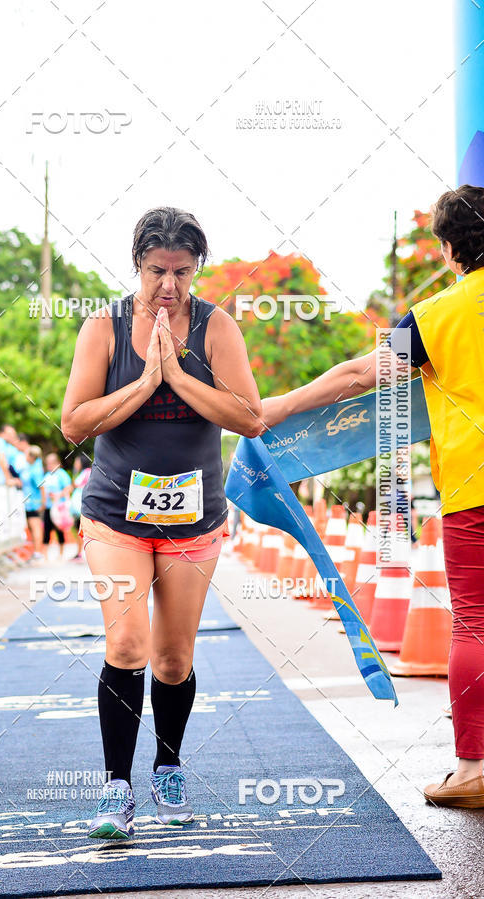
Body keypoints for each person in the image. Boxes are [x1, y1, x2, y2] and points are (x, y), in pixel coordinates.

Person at [258, 184, 484, 809]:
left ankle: (473, 770)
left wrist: (279, 406)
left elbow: (363, 374)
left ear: (446, 250)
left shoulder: (441, 315)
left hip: (475, 488)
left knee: (475, 624)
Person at [61, 206, 262, 840]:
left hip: (194, 520)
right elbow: (74, 423)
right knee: (127, 646)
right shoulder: (105, 328)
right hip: (116, 515)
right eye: (156, 271)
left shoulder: (216, 327)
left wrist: (177, 373)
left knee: (173, 659)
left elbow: (247, 416)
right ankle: (116, 785)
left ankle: (167, 768)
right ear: (136, 266)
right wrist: (147, 380)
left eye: (181, 271)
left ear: (198, 268)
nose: (168, 286)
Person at [40, 452, 72, 562]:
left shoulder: (62, 474)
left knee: (60, 530)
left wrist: (59, 494)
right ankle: (45, 556)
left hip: (59, 507)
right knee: (47, 530)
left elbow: (68, 488)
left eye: (50, 463)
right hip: (49, 506)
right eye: (47, 463)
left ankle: (61, 554)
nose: (49, 466)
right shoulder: (47, 475)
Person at [21, 445, 45, 560]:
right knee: (31, 527)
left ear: (31, 456)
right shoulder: (31, 467)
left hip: (34, 503)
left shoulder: (35, 470)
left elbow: (42, 487)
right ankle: (35, 551)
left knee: (35, 527)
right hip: (28, 503)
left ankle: (38, 552)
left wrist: (43, 503)